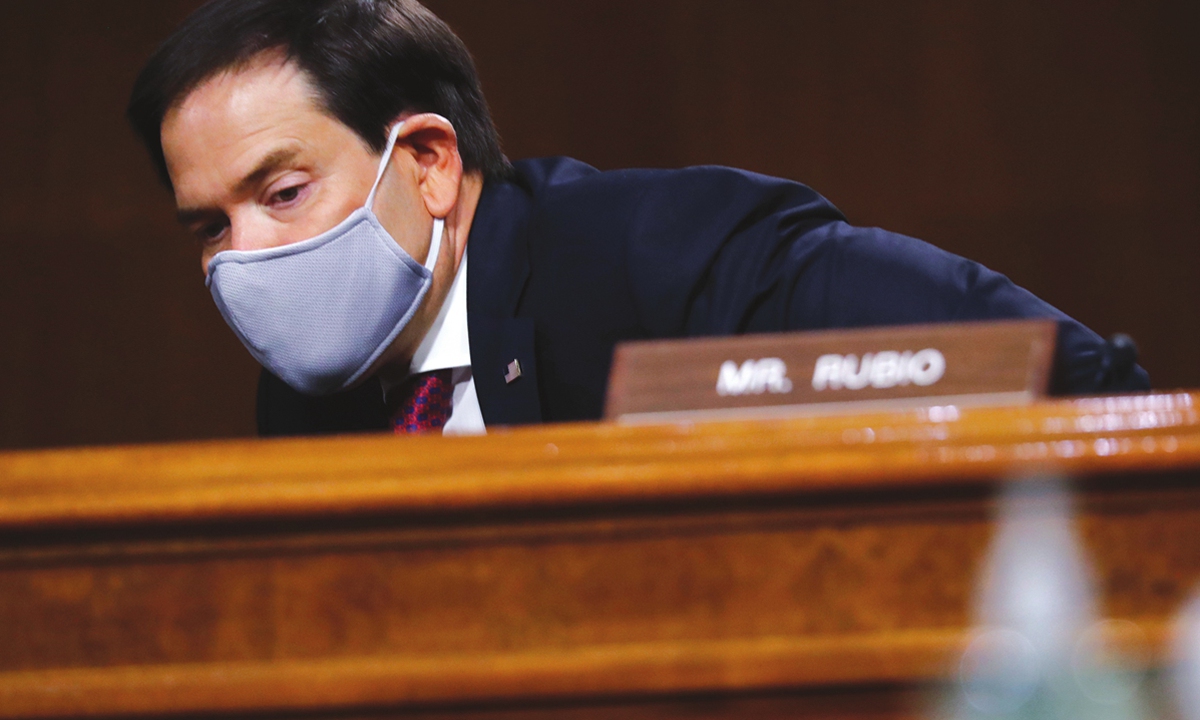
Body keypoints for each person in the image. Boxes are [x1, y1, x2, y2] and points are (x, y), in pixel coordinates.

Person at [127, 0, 1149, 438]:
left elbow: (1072, 382)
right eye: (209, 228)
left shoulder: (661, 254)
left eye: (281, 194)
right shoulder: (304, 403)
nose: (241, 260)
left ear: (428, 163)